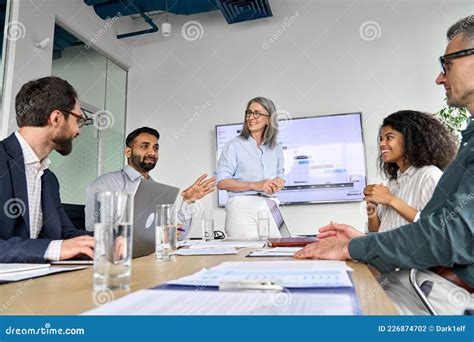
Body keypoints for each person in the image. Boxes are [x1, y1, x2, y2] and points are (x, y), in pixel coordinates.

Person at [295, 15, 474, 315]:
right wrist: (366, 239)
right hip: (420, 281)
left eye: (448, 64)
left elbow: (450, 235)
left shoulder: (429, 173)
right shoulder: (468, 141)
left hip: (443, 295)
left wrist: (354, 247)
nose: (440, 78)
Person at [0, 76, 95, 263]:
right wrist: (51, 249)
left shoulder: (48, 178)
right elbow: (57, 246)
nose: (79, 131)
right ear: (56, 118)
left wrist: (114, 238)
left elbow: (67, 235)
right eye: (79, 121)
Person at [85, 127, 216, 238]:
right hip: (119, 263)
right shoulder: (106, 184)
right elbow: (97, 234)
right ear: (128, 152)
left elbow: (178, 234)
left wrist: (188, 201)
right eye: (144, 146)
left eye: (156, 148)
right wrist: (155, 236)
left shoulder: (155, 189)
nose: (152, 152)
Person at [365, 110, 457, 232]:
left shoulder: (429, 175)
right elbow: (375, 233)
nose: (382, 144)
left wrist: (391, 200)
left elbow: (439, 226)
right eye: (381, 139)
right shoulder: (393, 183)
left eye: (389, 137)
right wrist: (372, 207)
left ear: (411, 139)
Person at [216, 97, 285, 238]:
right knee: (246, 253)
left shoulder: (276, 148)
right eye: (249, 112)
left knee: (276, 250)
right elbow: (222, 182)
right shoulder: (233, 146)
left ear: (268, 119)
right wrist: (255, 185)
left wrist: (278, 183)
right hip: (242, 207)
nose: (251, 117)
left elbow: (280, 177)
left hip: (269, 205)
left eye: (257, 113)